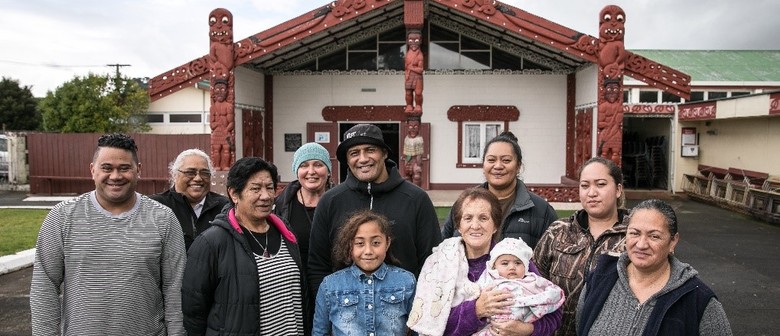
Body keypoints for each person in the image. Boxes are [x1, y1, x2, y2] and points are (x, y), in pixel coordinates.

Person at [30, 133, 186, 335]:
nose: (115, 176)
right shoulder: (62, 217)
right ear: (92, 170)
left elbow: (175, 290)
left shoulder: (163, 219)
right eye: (106, 168)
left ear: (138, 170)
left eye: (124, 168)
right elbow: (44, 286)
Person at [308, 123, 441, 297]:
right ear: (347, 160)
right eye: (354, 153)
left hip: (405, 314)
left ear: (384, 153)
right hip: (344, 317)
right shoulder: (330, 202)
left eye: (370, 150)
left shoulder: (416, 199)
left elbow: (433, 264)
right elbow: (318, 265)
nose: (362, 159)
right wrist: (328, 310)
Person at [408, 187, 562, 336]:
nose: (475, 226)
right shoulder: (438, 264)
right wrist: (476, 310)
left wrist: (528, 330)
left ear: (495, 225)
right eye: (468, 218)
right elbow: (428, 323)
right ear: (459, 225)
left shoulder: (513, 260)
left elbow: (553, 313)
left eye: (483, 218)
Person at [182, 157, 310, 335]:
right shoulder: (211, 243)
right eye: (255, 189)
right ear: (234, 194)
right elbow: (193, 313)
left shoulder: (285, 231)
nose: (265, 196)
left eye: (270, 187)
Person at [577, 199, 732, 335]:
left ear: (673, 241)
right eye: (635, 233)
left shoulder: (698, 300)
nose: (641, 244)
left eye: (654, 236)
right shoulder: (599, 279)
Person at [532, 156, 629, 336]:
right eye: (585, 186)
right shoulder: (558, 232)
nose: (592, 192)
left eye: (600, 184)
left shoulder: (634, 236)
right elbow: (532, 283)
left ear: (618, 189)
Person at [441, 131, 557, 250]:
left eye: (506, 160)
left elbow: (551, 260)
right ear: (483, 165)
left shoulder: (542, 211)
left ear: (518, 166)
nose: (498, 166)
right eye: (491, 160)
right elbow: (444, 248)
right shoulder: (465, 203)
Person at [312, 210, 415, 336]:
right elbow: (319, 332)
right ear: (350, 245)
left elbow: (418, 330)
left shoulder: (407, 281)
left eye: (376, 243)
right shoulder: (330, 286)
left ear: (387, 243)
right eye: (360, 243)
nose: (368, 251)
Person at [474, 238, 565, 336]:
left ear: (525, 266)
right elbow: (474, 295)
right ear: (494, 267)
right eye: (505, 263)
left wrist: (529, 327)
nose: (512, 267)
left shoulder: (533, 281)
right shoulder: (488, 280)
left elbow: (552, 294)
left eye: (518, 263)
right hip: (492, 328)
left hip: (522, 324)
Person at [151, 148, 229, 251]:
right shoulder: (155, 206)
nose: (198, 178)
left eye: (204, 173)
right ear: (175, 175)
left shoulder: (225, 208)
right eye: (190, 172)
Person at [274, 142, 332, 269]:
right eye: (303, 165)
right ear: (296, 171)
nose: (311, 171)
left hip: (332, 278)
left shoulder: (338, 202)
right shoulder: (281, 204)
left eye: (318, 165)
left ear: (328, 170)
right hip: (293, 280)